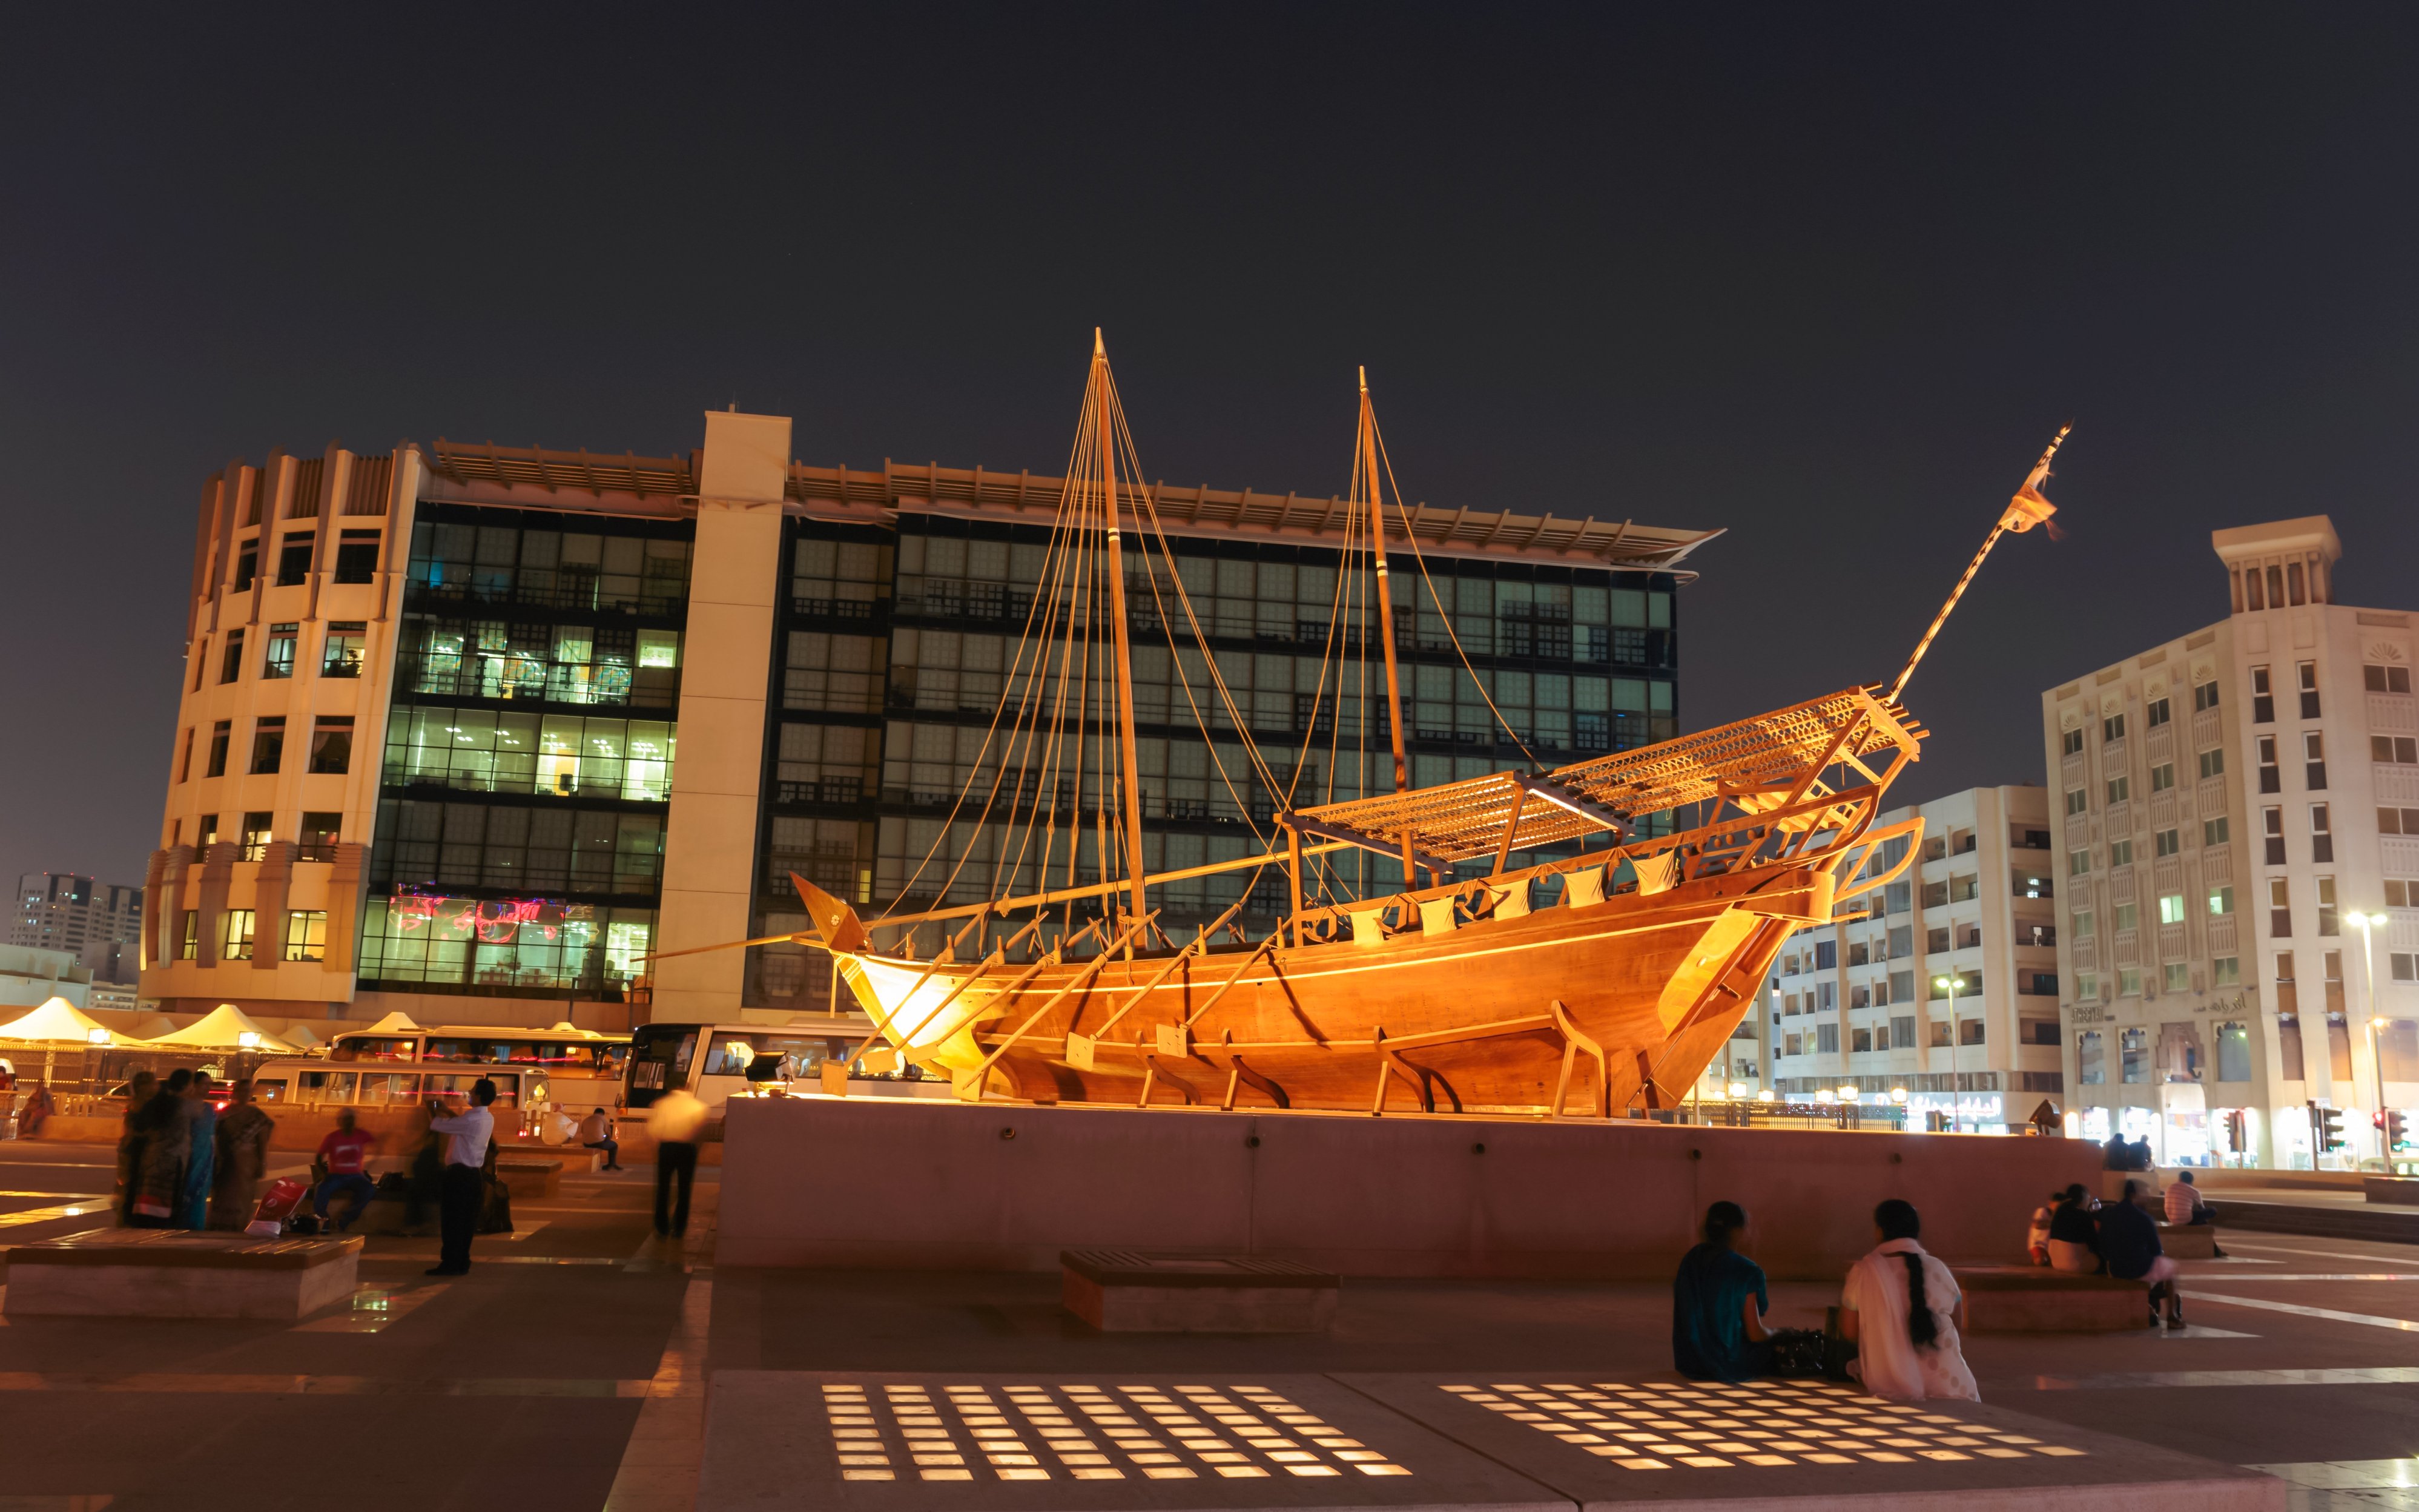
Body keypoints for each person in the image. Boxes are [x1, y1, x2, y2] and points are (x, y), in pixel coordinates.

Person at [1838, 1199, 1978, 1402]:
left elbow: (1849, 1331)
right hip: (1955, 1386)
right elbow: (1957, 1323)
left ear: (1879, 1231)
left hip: (1892, 1382)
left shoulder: (1864, 1272)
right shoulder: (1938, 1268)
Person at [1672, 1201, 1772, 1382]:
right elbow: (1755, 1333)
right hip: (1728, 1361)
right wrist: (1779, 1334)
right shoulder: (1747, 1270)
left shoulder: (1692, 1259)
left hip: (1690, 1361)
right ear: (1737, 1231)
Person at [426, 1080, 497, 1276]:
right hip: (474, 1176)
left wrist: (432, 1109)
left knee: (452, 1221)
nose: (469, 1093)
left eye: (472, 1091)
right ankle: (462, 1261)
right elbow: (458, 1124)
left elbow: (437, 1125)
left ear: (479, 1096)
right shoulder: (487, 1118)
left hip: (459, 1176)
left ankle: (450, 1263)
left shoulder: (470, 1120)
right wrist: (448, 1111)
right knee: (466, 1223)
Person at [2099, 1180, 2184, 1328]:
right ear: (2133, 1194)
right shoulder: (2144, 1218)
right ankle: (2172, 1317)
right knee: (2170, 1268)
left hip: (2115, 1268)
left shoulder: (2109, 1213)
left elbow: (2102, 1243)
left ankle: (2149, 1307)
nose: (2149, 1198)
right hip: (2138, 1268)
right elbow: (2156, 1251)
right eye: (2145, 1193)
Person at [128, 1069, 193, 1227]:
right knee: (162, 1212)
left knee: (147, 1208)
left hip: (151, 1162)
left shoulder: (156, 1103)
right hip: (168, 1164)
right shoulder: (179, 1106)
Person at [209, 1080, 276, 1230]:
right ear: (234, 1093)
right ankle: (219, 1225)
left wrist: (262, 1163)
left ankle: (238, 1225)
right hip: (224, 1162)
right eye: (242, 1091)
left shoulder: (256, 1116)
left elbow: (262, 1142)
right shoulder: (223, 1114)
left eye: (248, 1091)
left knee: (242, 1195)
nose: (245, 1094)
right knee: (223, 1195)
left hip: (246, 1164)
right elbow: (215, 1139)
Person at [647, 1088, 707, 1240]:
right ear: (688, 1087)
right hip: (687, 1149)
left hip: (666, 1148)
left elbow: (653, 1130)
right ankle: (679, 1228)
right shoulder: (699, 1105)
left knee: (663, 1188)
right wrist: (696, 1149)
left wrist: (657, 1149)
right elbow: (702, 1132)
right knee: (684, 1190)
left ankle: (662, 1227)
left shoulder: (662, 1104)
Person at [312, 1108, 380, 1232]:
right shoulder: (332, 1137)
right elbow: (319, 1156)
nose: (348, 1123)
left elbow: (378, 1144)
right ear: (340, 1122)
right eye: (345, 1120)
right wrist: (323, 1173)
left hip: (356, 1176)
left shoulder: (361, 1134)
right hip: (336, 1176)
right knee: (321, 1190)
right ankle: (324, 1222)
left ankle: (345, 1220)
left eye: (350, 1120)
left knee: (369, 1190)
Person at [114, 1070, 158, 1224]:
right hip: (141, 1152)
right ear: (144, 1087)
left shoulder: (134, 1105)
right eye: (153, 1082)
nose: (157, 1085)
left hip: (133, 1151)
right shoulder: (147, 1107)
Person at [177, 1072, 219, 1229]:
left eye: (210, 1084)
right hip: (189, 1158)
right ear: (194, 1085)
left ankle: (197, 1226)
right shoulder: (185, 1107)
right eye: (205, 1084)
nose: (209, 1087)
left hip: (206, 1160)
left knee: (200, 1197)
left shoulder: (209, 1108)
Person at [2047, 1182, 2101, 1273]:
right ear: (2083, 1197)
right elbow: (2094, 1243)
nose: (2088, 1201)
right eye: (2088, 1198)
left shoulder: (2058, 1213)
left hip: (2055, 1262)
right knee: (2101, 1262)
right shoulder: (2083, 1215)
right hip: (2075, 1264)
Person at [579, 1106, 622, 1171]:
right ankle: (612, 1164)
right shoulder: (603, 1118)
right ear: (602, 1114)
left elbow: (582, 1132)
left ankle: (611, 1164)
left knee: (605, 1139)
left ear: (594, 1113)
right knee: (614, 1145)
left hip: (586, 1143)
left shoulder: (586, 1119)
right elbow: (608, 1132)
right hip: (599, 1143)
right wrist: (608, 1139)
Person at [2025, 1192, 2059, 1267]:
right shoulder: (2042, 1211)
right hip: (2038, 1243)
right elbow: (2037, 1224)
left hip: (2050, 1246)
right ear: (2051, 1203)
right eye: (2057, 1206)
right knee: (2041, 1260)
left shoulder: (2058, 1215)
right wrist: (2054, 1225)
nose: (2057, 1208)